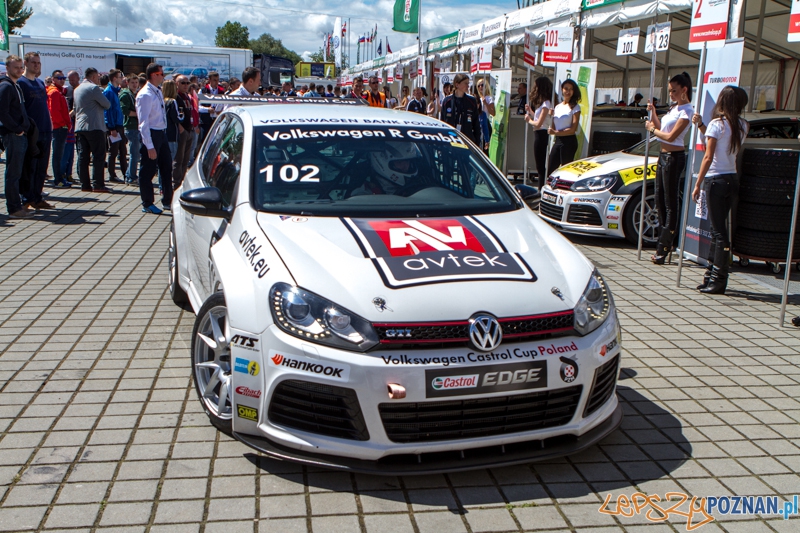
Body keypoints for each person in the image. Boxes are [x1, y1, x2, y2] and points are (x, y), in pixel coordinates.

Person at [690, 86, 748, 294]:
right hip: (731, 179)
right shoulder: (742, 125)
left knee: (718, 232)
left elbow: (708, 155)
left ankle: (718, 279)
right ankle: (712, 276)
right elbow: (720, 143)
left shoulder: (718, 124)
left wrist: (698, 183)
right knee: (718, 230)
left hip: (715, 180)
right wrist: (702, 126)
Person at [645, 72, 693, 264]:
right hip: (663, 156)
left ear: (684, 90)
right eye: (670, 90)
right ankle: (664, 243)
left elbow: (671, 136)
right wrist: (654, 114)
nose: (671, 94)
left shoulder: (687, 111)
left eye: (674, 91)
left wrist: (652, 130)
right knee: (660, 199)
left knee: (671, 202)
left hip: (674, 157)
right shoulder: (674, 109)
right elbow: (662, 130)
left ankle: (664, 247)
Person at [19, 52, 54, 210]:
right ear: (25, 63)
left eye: (38, 63)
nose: (36, 65)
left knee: (42, 168)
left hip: (46, 129)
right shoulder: (21, 83)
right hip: (31, 132)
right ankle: (26, 198)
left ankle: (37, 197)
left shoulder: (40, 83)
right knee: (29, 167)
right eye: (33, 62)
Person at [137, 63, 173, 214]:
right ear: (153, 75)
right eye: (160, 74)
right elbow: (143, 122)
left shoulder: (156, 91)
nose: (163, 77)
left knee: (166, 166)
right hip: (151, 134)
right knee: (148, 169)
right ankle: (147, 203)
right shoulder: (145, 94)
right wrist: (149, 145)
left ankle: (167, 200)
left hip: (161, 133)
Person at [0, 55, 33, 219]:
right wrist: (17, 129)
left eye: (21, 67)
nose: (19, 70)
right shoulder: (5, 87)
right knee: (13, 173)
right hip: (13, 135)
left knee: (18, 172)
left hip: (20, 134)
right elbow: (3, 113)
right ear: (7, 68)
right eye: (16, 67)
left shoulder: (16, 86)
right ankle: (13, 208)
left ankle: (17, 204)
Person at [74, 67, 111, 193]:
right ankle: (98, 184)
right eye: (98, 77)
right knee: (98, 156)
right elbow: (107, 104)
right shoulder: (94, 88)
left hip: (80, 126)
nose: (99, 79)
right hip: (94, 126)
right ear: (94, 76)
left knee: (83, 156)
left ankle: (85, 184)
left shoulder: (77, 88)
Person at [351, 143, 420, 195]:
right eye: (399, 162)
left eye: (408, 161)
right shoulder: (364, 195)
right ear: (381, 162)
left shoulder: (419, 188)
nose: (406, 167)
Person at [547, 79, 582, 176]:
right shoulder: (557, 107)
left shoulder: (575, 107)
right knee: (550, 169)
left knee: (565, 171)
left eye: (571, 89)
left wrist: (555, 132)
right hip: (558, 141)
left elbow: (572, 129)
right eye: (566, 88)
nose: (568, 91)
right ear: (562, 90)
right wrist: (551, 116)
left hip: (569, 142)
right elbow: (554, 126)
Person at [524, 76, 553, 190]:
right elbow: (539, 119)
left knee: (540, 166)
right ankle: (541, 188)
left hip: (542, 134)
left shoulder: (546, 104)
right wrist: (531, 112)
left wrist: (529, 120)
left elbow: (539, 123)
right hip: (539, 134)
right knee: (540, 165)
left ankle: (541, 189)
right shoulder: (543, 104)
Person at [441, 73, 481, 145]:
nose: (468, 86)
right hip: (450, 140)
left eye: (468, 83)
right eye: (465, 83)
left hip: (467, 141)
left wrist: (477, 143)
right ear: (457, 84)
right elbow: (442, 123)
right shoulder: (447, 101)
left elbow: (476, 125)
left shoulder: (471, 101)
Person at [47, 70, 71, 188]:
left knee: (59, 154)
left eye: (63, 77)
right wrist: (64, 124)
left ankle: (59, 178)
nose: (62, 80)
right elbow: (54, 112)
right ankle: (58, 179)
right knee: (58, 155)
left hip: (61, 127)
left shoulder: (58, 91)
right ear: (53, 79)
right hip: (59, 128)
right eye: (59, 78)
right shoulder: (55, 93)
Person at [103, 69, 126, 184]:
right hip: (114, 126)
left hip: (119, 124)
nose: (122, 78)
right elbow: (108, 111)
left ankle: (126, 174)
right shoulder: (109, 92)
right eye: (120, 76)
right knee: (114, 151)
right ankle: (112, 174)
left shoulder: (116, 91)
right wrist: (111, 128)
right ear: (114, 79)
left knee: (122, 150)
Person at [173, 75, 194, 189]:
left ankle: (182, 181)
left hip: (189, 129)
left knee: (186, 159)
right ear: (177, 84)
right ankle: (176, 182)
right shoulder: (176, 97)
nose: (186, 85)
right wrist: (180, 127)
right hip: (182, 131)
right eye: (183, 83)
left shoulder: (187, 96)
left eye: (187, 83)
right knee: (179, 159)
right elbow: (173, 114)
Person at [119, 74, 140, 185]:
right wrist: (138, 115)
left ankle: (130, 175)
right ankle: (131, 177)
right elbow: (125, 110)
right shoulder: (126, 94)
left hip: (136, 126)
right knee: (134, 154)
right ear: (127, 83)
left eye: (136, 82)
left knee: (136, 154)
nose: (135, 85)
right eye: (132, 82)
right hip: (131, 127)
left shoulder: (134, 94)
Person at [163, 79, 181, 163]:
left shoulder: (161, 101)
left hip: (162, 133)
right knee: (169, 160)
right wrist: (182, 116)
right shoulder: (172, 102)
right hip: (171, 134)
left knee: (162, 162)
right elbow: (176, 118)